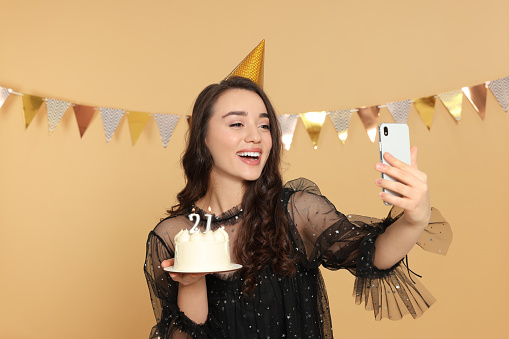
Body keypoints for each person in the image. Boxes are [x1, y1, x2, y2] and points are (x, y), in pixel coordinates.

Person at [144, 76, 451, 338]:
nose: (255, 136)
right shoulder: (174, 235)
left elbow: (375, 255)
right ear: (203, 137)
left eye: (264, 126)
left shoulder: (296, 211)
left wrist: (415, 218)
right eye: (237, 123)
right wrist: (192, 283)